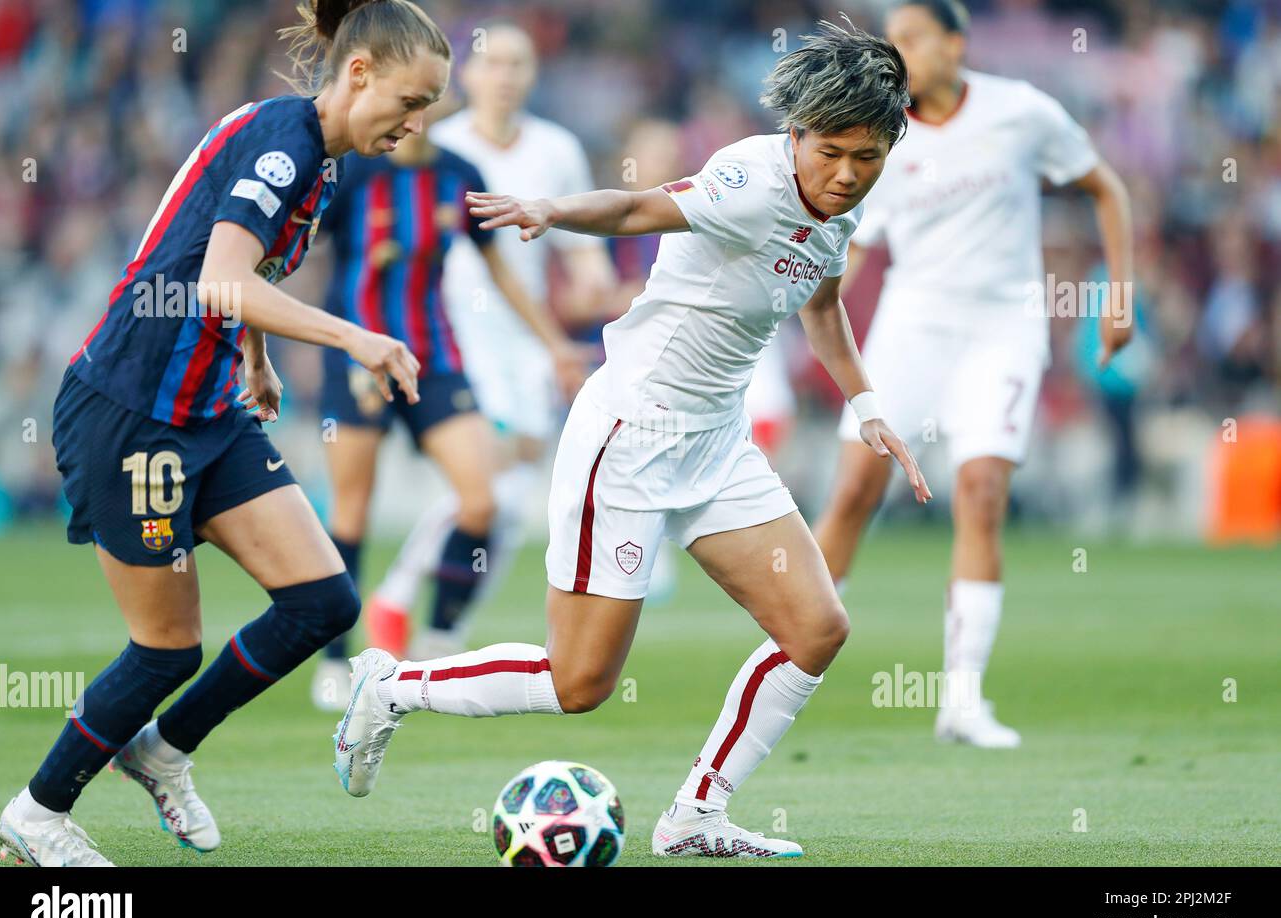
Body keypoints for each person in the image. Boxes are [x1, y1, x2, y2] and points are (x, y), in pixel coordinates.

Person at [334, 17, 932, 860]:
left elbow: (824, 305)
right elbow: (636, 206)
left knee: (816, 628)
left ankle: (695, 816)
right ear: (796, 134)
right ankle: (392, 686)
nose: (845, 174)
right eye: (830, 151)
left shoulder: (843, 202)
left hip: (717, 443)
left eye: (866, 157)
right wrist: (552, 210)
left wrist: (867, 404)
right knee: (578, 684)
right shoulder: (749, 182)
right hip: (632, 435)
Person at [0, 0, 450, 866]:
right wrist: (353, 335)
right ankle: (38, 811)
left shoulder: (320, 157)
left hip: (209, 408)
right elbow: (221, 277)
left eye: (427, 107)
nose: (416, 122)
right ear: (359, 74)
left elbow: (245, 275)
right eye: (409, 100)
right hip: (134, 416)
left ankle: (162, 752)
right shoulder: (283, 144)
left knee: (323, 602)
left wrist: (257, 358)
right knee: (166, 650)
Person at [812, 0, 1134, 747]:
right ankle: (789, 659)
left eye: (916, 37)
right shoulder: (875, 139)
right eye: (892, 41)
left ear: (956, 43)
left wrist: (1118, 300)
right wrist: (802, 309)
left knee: (982, 489)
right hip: (911, 327)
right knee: (855, 489)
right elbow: (850, 248)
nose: (902, 52)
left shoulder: (1020, 113)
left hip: (1004, 328)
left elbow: (1106, 189)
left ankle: (962, 699)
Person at [309, 119, 585, 710]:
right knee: (352, 511)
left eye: (427, 96)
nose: (415, 111)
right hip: (358, 361)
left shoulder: (458, 176)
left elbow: (500, 270)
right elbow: (307, 247)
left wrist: (554, 342)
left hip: (433, 360)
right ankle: (335, 661)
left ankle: (437, 642)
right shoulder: (355, 170)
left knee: (481, 500)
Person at [363, 21, 616, 660]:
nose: (504, 75)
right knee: (490, 484)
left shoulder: (555, 150)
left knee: (507, 501)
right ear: (466, 75)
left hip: (525, 340)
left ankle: (432, 623)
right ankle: (404, 603)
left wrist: (597, 293)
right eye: (492, 63)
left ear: (532, 75)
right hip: (449, 332)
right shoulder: (431, 142)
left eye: (517, 63)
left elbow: (581, 249)